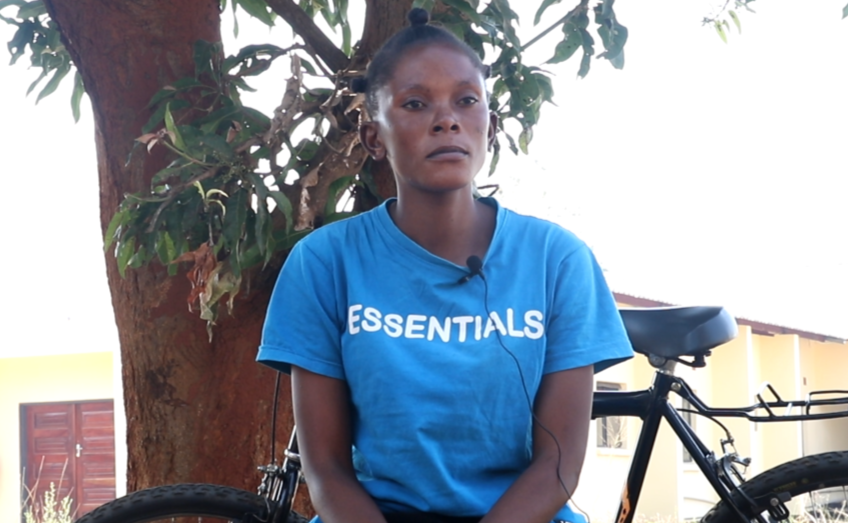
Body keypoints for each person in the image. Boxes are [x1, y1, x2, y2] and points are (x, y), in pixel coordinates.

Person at [257, 8, 633, 523]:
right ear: (374, 138)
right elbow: (325, 468)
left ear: (490, 127)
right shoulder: (324, 264)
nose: (446, 119)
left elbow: (559, 465)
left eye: (466, 101)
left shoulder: (557, 260)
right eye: (415, 103)